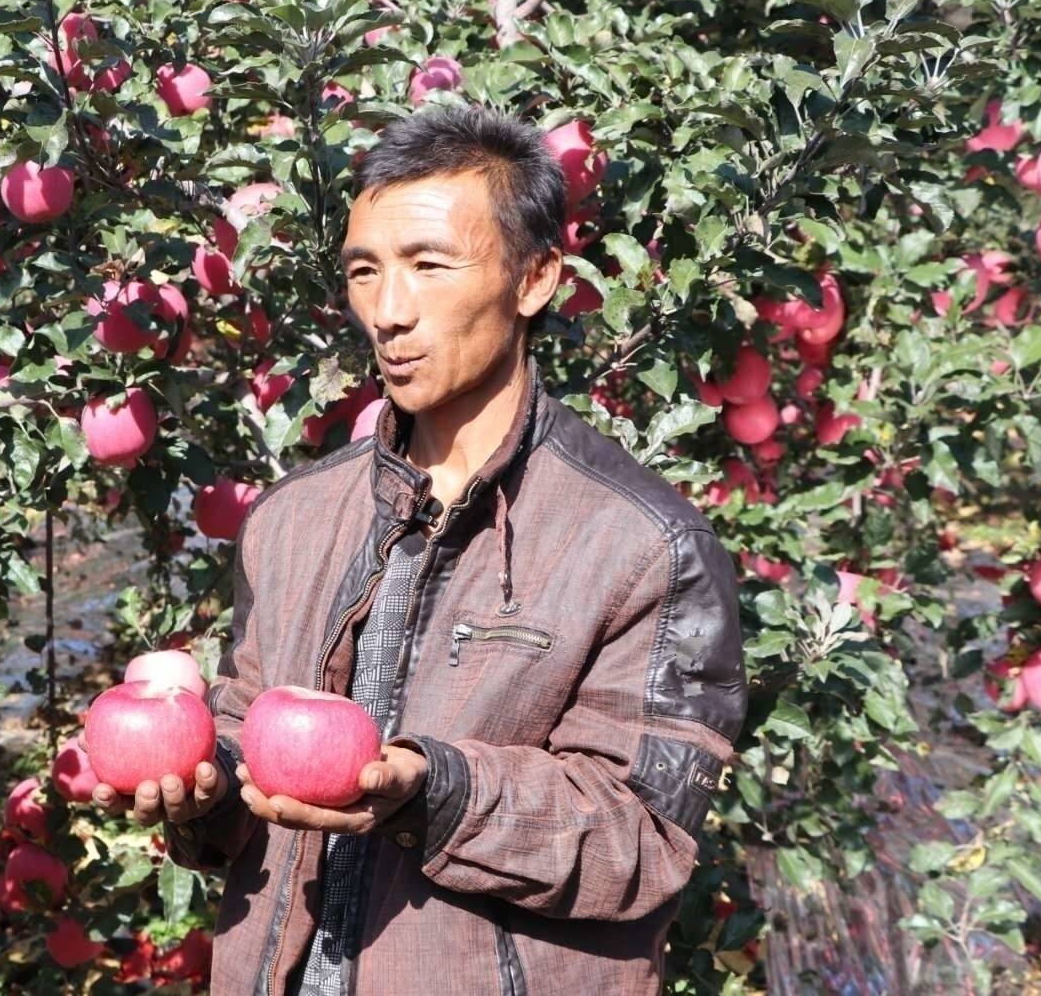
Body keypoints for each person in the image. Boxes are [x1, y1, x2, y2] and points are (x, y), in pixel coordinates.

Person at [90, 105, 749, 996]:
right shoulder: (293, 519)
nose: (389, 313)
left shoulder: (641, 545)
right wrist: (204, 788)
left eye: (429, 266)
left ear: (536, 278)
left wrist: (431, 792)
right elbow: (251, 737)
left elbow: (641, 838)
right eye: (366, 272)